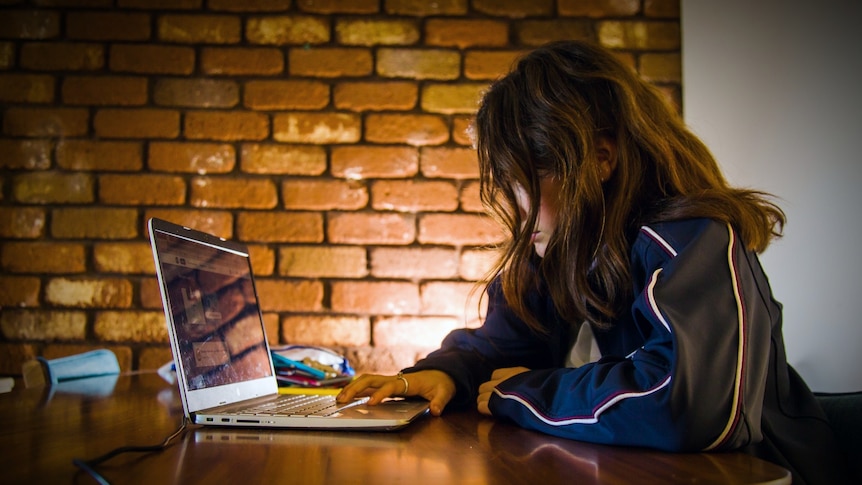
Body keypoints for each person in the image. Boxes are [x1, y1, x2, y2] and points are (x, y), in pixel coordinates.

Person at [336, 40, 850, 484]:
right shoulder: (568, 248)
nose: (516, 211)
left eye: (524, 182)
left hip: (764, 475)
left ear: (600, 158)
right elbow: (502, 343)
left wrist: (521, 391)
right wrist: (444, 373)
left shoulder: (694, 237)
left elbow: (683, 404)